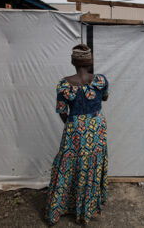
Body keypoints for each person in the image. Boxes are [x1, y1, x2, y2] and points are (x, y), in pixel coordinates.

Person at [45, 44, 109, 225]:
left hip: (75, 127)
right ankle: (86, 210)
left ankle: (60, 209)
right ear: (91, 62)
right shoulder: (101, 81)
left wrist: (74, 124)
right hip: (97, 127)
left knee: (67, 165)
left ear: (73, 62)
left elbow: (61, 111)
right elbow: (104, 97)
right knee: (91, 166)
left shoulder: (64, 84)